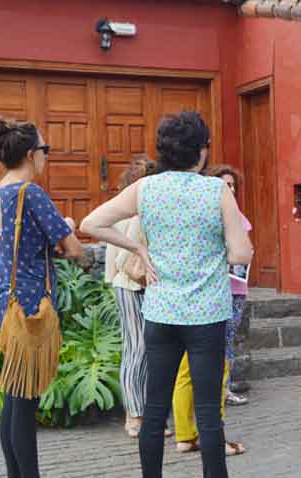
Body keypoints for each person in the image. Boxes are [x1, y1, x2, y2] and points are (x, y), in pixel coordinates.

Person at [81, 111, 252, 478]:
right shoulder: (216, 190)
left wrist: (137, 248)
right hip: (207, 314)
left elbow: (91, 223)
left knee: (155, 408)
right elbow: (241, 254)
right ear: (201, 152)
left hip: (160, 313)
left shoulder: (146, 188)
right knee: (207, 411)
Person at [0, 117, 83, 478]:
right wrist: (69, 230)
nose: (47, 157)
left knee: (14, 396)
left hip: (5, 306)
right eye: (45, 150)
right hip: (30, 309)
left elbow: (12, 248)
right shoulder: (31, 194)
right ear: (31, 154)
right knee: (24, 400)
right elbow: (72, 248)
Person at [173, 164, 251, 456]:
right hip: (217, 297)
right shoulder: (222, 215)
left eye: (232, 185)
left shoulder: (191, 216)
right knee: (217, 365)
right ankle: (211, 438)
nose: (229, 190)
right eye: (223, 185)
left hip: (197, 297)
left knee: (188, 368)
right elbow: (243, 252)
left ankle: (185, 435)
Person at [104, 158, 164, 438]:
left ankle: (146, 414)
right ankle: (134, 415)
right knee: (136, 349)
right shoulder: (135, 214)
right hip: (131, 285)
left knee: (148, 350)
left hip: (143, 287)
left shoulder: (132, 211)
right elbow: (123, 260)